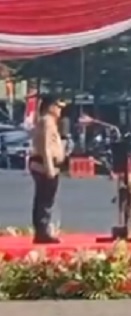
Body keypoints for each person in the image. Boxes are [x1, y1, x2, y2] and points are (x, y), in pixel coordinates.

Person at [28, 95, 66, 244]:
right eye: (58, 106)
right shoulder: (46, 121)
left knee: (46, 199)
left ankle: (43, 230)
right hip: (43, 166)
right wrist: (49, 166)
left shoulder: (51, 122)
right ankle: (42, 231)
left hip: (48, 165)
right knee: (44, 200)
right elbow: (45, 146)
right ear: (50, 107)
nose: (60, 110)